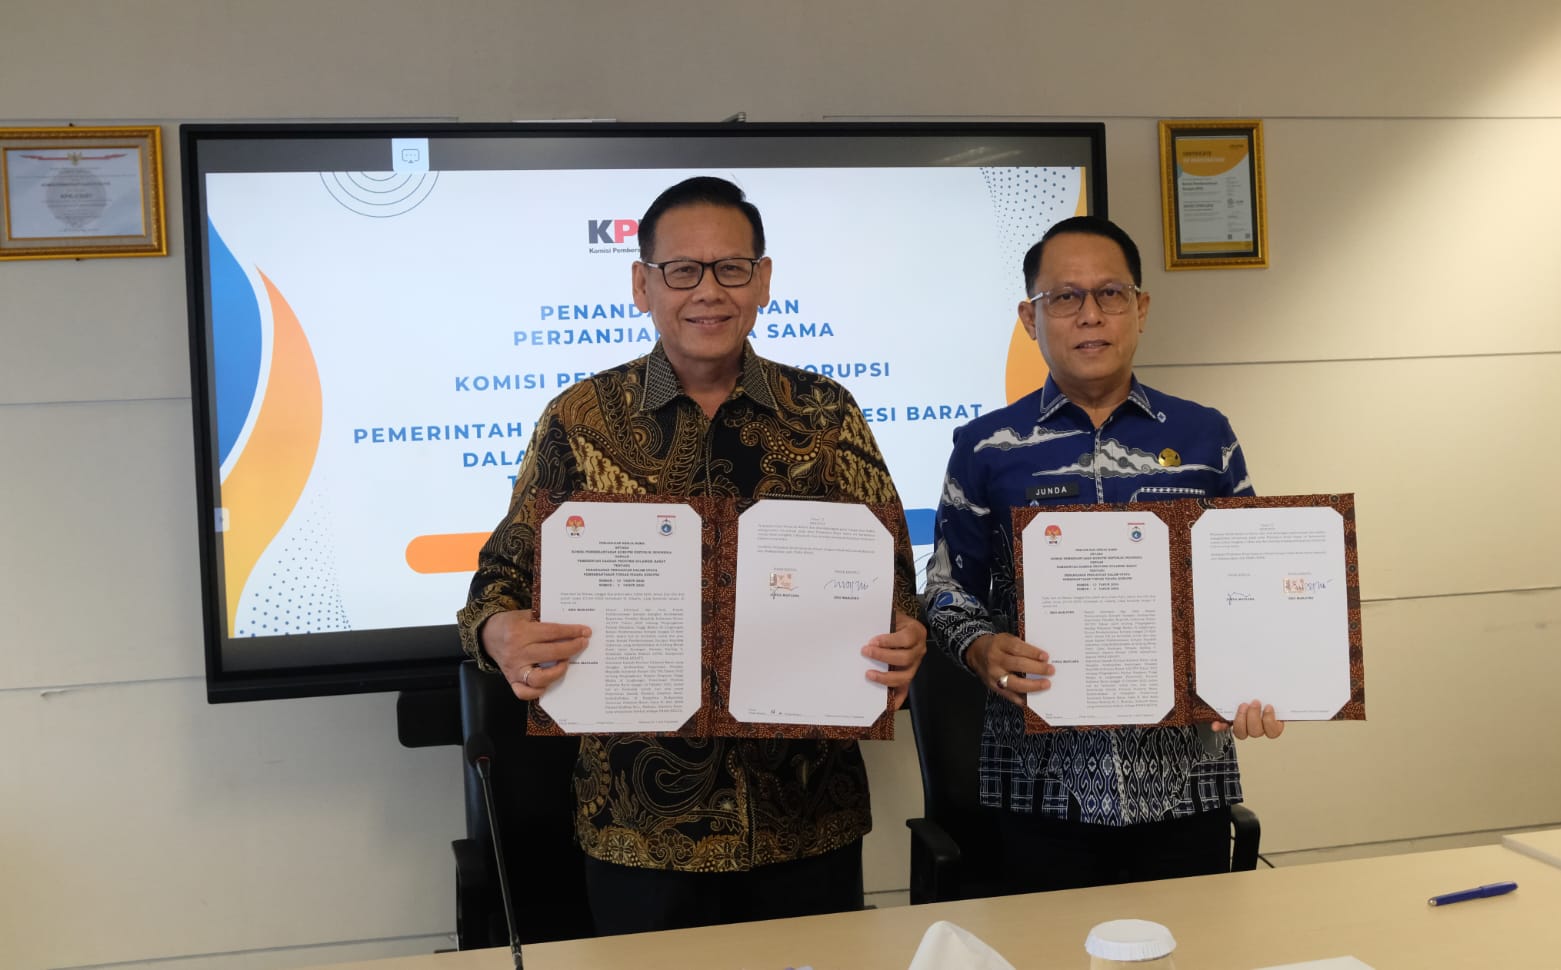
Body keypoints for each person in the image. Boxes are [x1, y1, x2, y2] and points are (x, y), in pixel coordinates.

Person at [457, 176, 926, 935]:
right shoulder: (579, 420)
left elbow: (893, 576)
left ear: (763, 280)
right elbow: (498, 581)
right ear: (642, 285)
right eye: (682, 270)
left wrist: (905, 632)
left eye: (731, 268)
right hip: (640, 832)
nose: (708, 291)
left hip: (806, 819)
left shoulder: (825, 415)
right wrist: (498, 631)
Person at [923, 214, 1282, 893]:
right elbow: (946, 590)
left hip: (1185, 779)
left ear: (1139, 308)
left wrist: (1264, 677)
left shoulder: (1206, 437)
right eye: (1064, 297)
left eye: (1110, 293)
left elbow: (1252, 583)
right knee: (1047, 948)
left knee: (1193, 945)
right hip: (1038, 784)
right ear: (1030, 319)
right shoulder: (986, 446)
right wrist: (980, 647)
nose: (1090, 314)